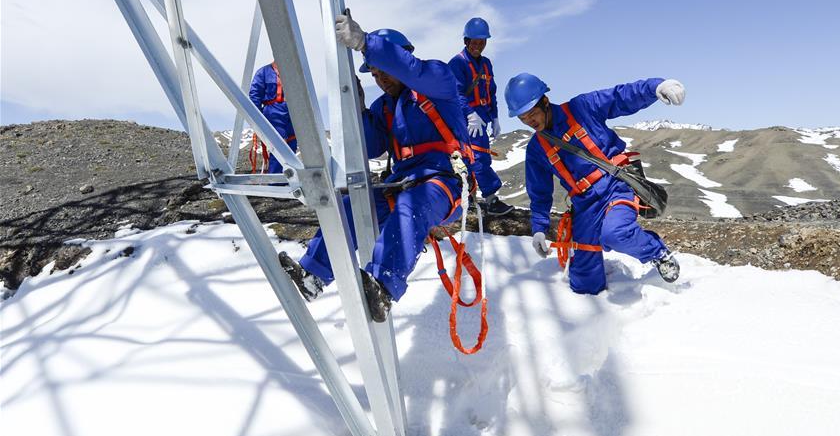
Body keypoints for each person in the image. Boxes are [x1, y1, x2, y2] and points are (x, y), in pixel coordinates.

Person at [278, 19, 473, 322]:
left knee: (411, 207)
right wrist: (357, 111)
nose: (381, 79)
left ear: (402, 57)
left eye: (384, 70)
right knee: (349, 208)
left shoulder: (438, 81)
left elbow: (414, 70)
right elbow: (369, 147)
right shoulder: (386, 107)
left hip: (442, 182)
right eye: (376, 74)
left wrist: (367, 44)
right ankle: (313, 275)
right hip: (403, 183)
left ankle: (383, 286)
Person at [505, 72, 685, 294]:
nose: (529, 121)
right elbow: (539, 193)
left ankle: (657, 252)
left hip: (615, 185)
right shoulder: (536, 149)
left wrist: (655, 88)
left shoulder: (582, 108)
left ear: (545, 101)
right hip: (585, 205)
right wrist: (539, 229)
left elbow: (620, 97)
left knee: (615, 233)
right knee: (584, 283)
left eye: (532, 113)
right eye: (523, 118)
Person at [447, 17, 513, 216]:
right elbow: (455, 93)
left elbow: (490, 92)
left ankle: (471, 199)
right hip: (466, 120)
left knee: (475, 158)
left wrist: (494, 117)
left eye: (482, 42)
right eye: (474, 42)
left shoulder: (486, 64)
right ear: (466, 41)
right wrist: (470, 114)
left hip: (482, 118)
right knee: (476, 158)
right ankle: (491, 200)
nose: (478, 46)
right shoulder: (457, 63)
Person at [248, 61, 297, 174]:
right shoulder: (263, 72)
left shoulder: (294, 71)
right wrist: (259, 119)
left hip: (293, 113)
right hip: (272, 112)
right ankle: (277, 183)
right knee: (279, 148)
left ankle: (290, 181)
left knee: (291, 147)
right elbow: (254, 95)